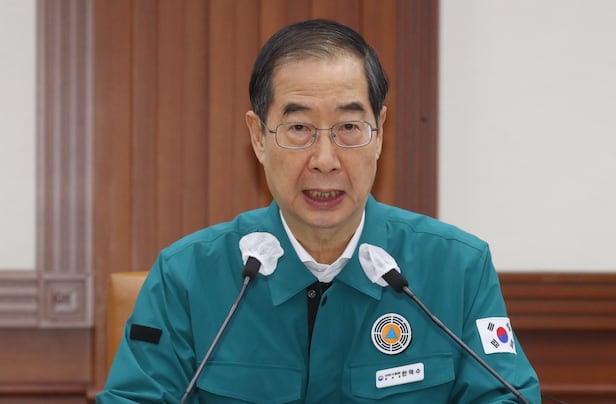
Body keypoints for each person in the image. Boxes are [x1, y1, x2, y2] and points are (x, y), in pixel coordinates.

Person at [98, 19, 540, 403]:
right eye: (298, 128)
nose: (325, 160)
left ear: (380, 132)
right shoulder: (186, 277)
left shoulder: (457, 269)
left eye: (349, 127)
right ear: (258, 137)